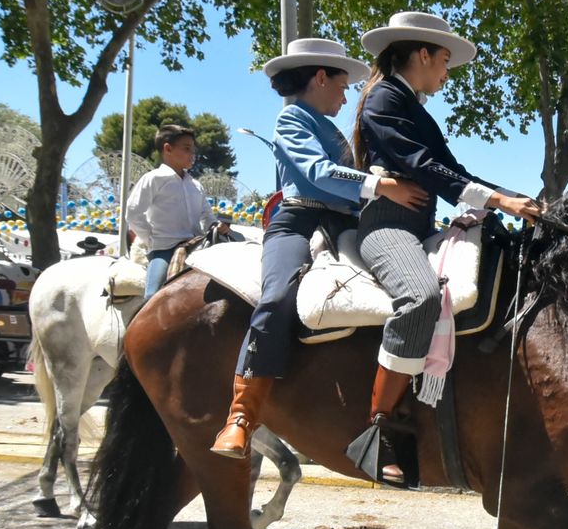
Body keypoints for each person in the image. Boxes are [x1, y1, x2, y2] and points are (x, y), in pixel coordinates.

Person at [210, 38, 429, 459]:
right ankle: (241, 417)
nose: (347, 95)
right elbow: (318, 171)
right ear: (320, 77)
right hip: (298, 220)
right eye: (342, 85)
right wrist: (381, 184)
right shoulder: (291, 118)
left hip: (346, 223)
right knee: (275, 298)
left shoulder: (329, 126)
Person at [350, 11, 541, 485]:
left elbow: (453, 169)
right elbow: (423, 166)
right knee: (422, 297)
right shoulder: (381, 100)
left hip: (419, 227)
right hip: (387, 229)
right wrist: (499, 200)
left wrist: (516, 201)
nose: (446, 73)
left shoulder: (412, 105)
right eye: (444, 62)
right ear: (421, 54)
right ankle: (380, 429)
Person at [125, 123, 230, 297]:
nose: (192, 154)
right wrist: (151, 240)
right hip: (164, 250)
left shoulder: (196, 185)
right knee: (153, 295)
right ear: (168, 149)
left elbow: (207, 217)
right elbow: (133, 212)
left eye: (193, 150)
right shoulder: (153, 179)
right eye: (187, 148)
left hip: (197, 246)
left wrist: (217, 226)